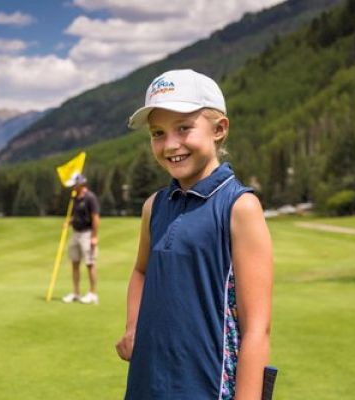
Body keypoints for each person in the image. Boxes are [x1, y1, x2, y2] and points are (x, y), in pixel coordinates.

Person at [115, 69, 273, 399]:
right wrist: (133, 326)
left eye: (184, 128)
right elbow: (142, 271)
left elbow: (257, 329)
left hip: (207, 387)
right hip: (147, 381)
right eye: (158, 133)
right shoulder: (154, 206)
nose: (170, 144)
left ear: (219, 129)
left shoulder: (239, 206)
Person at [62, 174, 101, 304]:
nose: (73, 187)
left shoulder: (90, 198)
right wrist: (68, 222)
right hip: (76, 233)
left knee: (90, 264)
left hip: (87, 234)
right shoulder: (75, 198)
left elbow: (95, 218)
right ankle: (76, 293)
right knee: (75, 263)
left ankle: (92, 293)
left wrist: (94, 236)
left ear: (80, 184)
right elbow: (76, 216)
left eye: (74, 184)